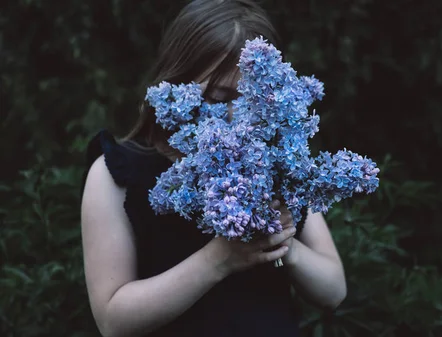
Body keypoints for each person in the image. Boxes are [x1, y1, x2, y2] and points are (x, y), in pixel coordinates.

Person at [79, 1, 347, 337]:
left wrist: (283, 245)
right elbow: (112, 320)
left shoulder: (282, 164)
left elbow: (334, 290)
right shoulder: (116, 174)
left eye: (253, 101)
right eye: (219, 99)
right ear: (177, 80)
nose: (238, 116)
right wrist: (219, 260)